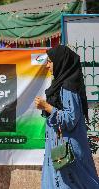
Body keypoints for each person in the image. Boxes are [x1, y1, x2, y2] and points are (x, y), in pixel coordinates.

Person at [34, 45, 99, 188]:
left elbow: (70, 118)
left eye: (50, 61)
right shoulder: (59, 84)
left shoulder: (68, 86)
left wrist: (47, 107)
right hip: (58, 146)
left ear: (60, 62)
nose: (47, 65)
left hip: (68, 148)